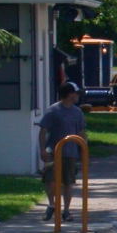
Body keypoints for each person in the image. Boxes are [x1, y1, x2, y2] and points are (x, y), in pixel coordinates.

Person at [39, 82, 87, 222]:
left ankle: (66, 210)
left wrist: (83, 150)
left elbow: (81, 132)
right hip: (54, 151)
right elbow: (43, 131)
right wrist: (43, 150)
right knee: (51, 180)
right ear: (70, 94)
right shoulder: (53, 110)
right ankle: (52, 205)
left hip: (71, 152)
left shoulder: (77, 112)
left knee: (68, 182)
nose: (78, 96)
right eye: (77, 93)